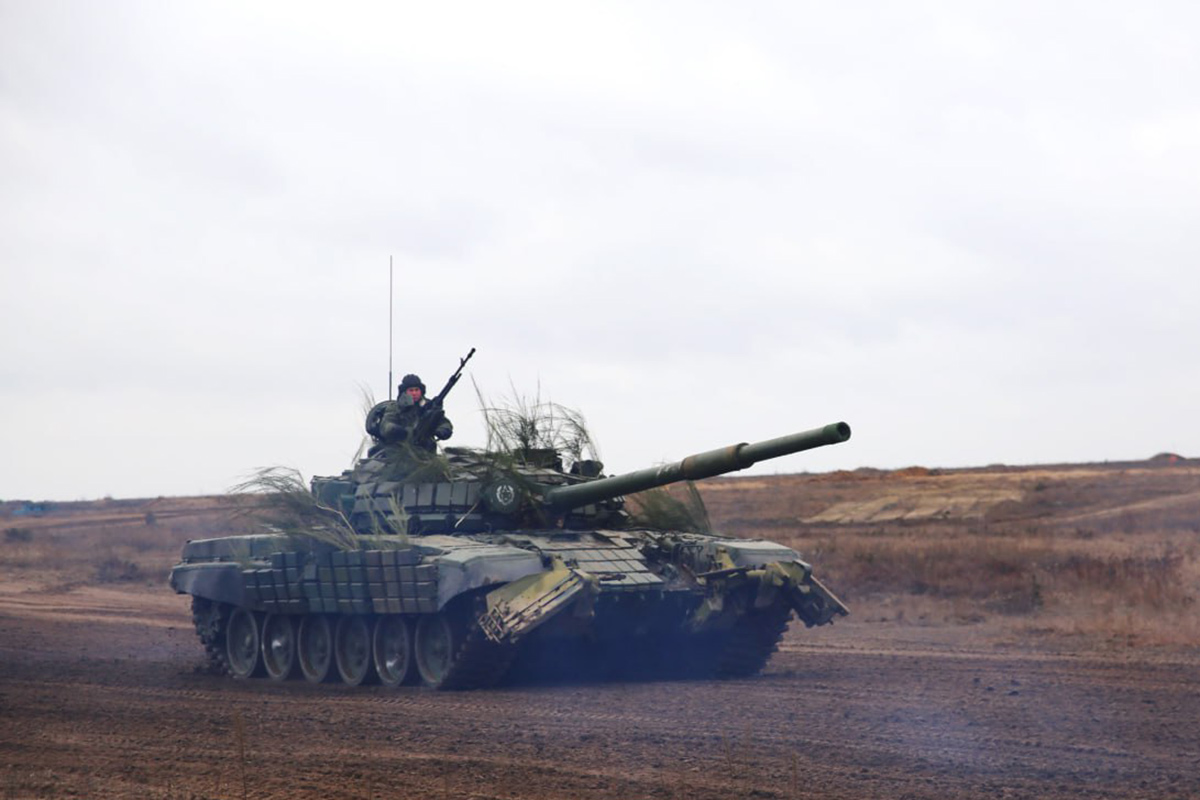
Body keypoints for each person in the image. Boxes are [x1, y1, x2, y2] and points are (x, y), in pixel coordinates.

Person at [366, 373, 453, 454]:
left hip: (426, 453)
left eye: (417, 390)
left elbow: (443, 422)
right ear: (404, 392)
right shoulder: (395, 408)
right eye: (411, 390)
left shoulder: (429, 407)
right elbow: (386, 424)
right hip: (397, 452)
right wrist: (396, 430)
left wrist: (443, 429)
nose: (414, 393)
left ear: (421, 391)